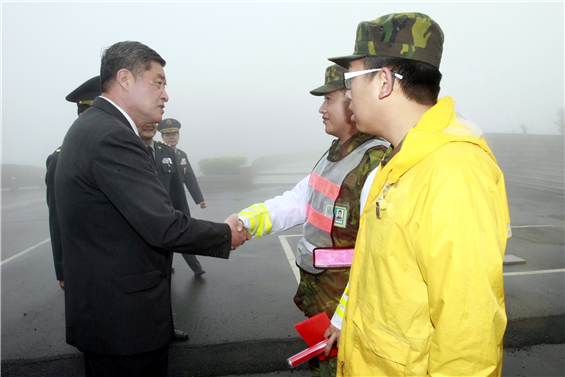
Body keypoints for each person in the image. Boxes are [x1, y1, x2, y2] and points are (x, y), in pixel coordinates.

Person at [328, 13, 512, 376]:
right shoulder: (399, 159)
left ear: (383, 82)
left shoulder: (453, 173)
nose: (347, 93)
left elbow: (468, 336)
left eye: (351, 80)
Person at [55, 41, 250, 376]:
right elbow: (163, 226)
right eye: (158, 82)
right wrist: (226, 234)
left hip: (108, 319)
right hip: (124, 327)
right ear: (125, 79)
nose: (165, 94)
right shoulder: (111, 136)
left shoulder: (93, 127)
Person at [237, 64, 389, 377]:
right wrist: (243, 222)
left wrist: (342, 317)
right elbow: (298, 201)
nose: (321, 108)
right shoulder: (336, 153)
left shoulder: (375, 163)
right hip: (321, 295)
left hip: (345, 306)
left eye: (328, 99)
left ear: (351, 100)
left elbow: (379, 254)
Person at [137, 121, 193, 341]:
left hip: (165, 223)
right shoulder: (126, 148)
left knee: (164, 281)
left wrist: (185, 222)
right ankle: (142, 330)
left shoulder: (168, 153)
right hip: (138, 228)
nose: (148, 125)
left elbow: (179, 189)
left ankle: (166, 328)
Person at [46, 75, 101, 292]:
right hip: (85, 259)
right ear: (81, 115)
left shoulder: (118, 151)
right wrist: (63, 268)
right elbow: (57, 218)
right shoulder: (60, 159)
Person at [158, 118, 206, 276]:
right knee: (166, 236)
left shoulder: (181, 155)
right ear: (162, 136)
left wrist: (199, 199)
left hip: (180, 204)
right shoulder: (157, 153)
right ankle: (166, 266)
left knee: (185, 233)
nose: (171, 137)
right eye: (167, 134)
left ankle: (196, 267)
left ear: (178, 136)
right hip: (163, 204)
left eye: (174, 134)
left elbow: (189, 177)